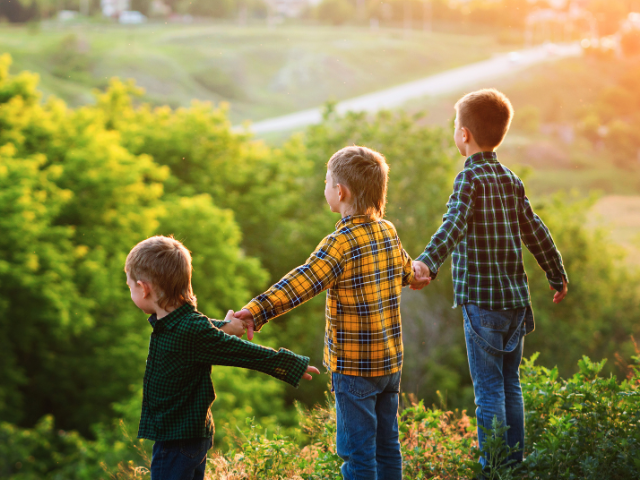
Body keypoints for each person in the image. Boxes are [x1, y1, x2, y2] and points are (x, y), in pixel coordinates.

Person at [234, 146, 425, 480]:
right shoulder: (388, 231)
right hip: (390, 364)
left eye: (326, 183)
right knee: (387, 448)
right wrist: (418, 274)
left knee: (358, 456)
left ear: (340, 191)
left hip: (353, 370)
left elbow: (302, 282)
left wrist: (255, 311)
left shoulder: (340, 243)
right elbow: (407, 270)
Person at [411, 88, 568, 470]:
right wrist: (555, 272)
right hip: (515, 303)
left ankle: (495, 467)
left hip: (482, 306)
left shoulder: (469, 179)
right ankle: (514, 465)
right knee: (510, 385)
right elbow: (535, 229)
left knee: (489, 391)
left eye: (454, 125)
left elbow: (453, 225)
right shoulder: (510, 179)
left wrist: (428, 264)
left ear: (464, 134)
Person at [124, 235, 319, 480]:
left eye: (130, 286)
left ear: (144, 288)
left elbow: (244, 353)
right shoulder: (182, 324)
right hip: (191, 437)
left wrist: (288, 364)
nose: (131, 291)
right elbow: (202, 331)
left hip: (176, 440)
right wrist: (226, 326)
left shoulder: (187, 329)